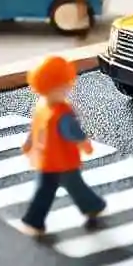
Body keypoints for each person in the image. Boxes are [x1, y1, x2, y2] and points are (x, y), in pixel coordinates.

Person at [19, 54, 106, 236]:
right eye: (64, 85)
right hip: (56, 161)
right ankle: (92, 206)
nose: (68, 88)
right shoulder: (53, 110)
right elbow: (42, 128)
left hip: (56, 161)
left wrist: (28, 143)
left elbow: (65, 132)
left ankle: (35, 220)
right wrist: (29, 143)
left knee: (54, 189)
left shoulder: (50, 109)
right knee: (70, 187)